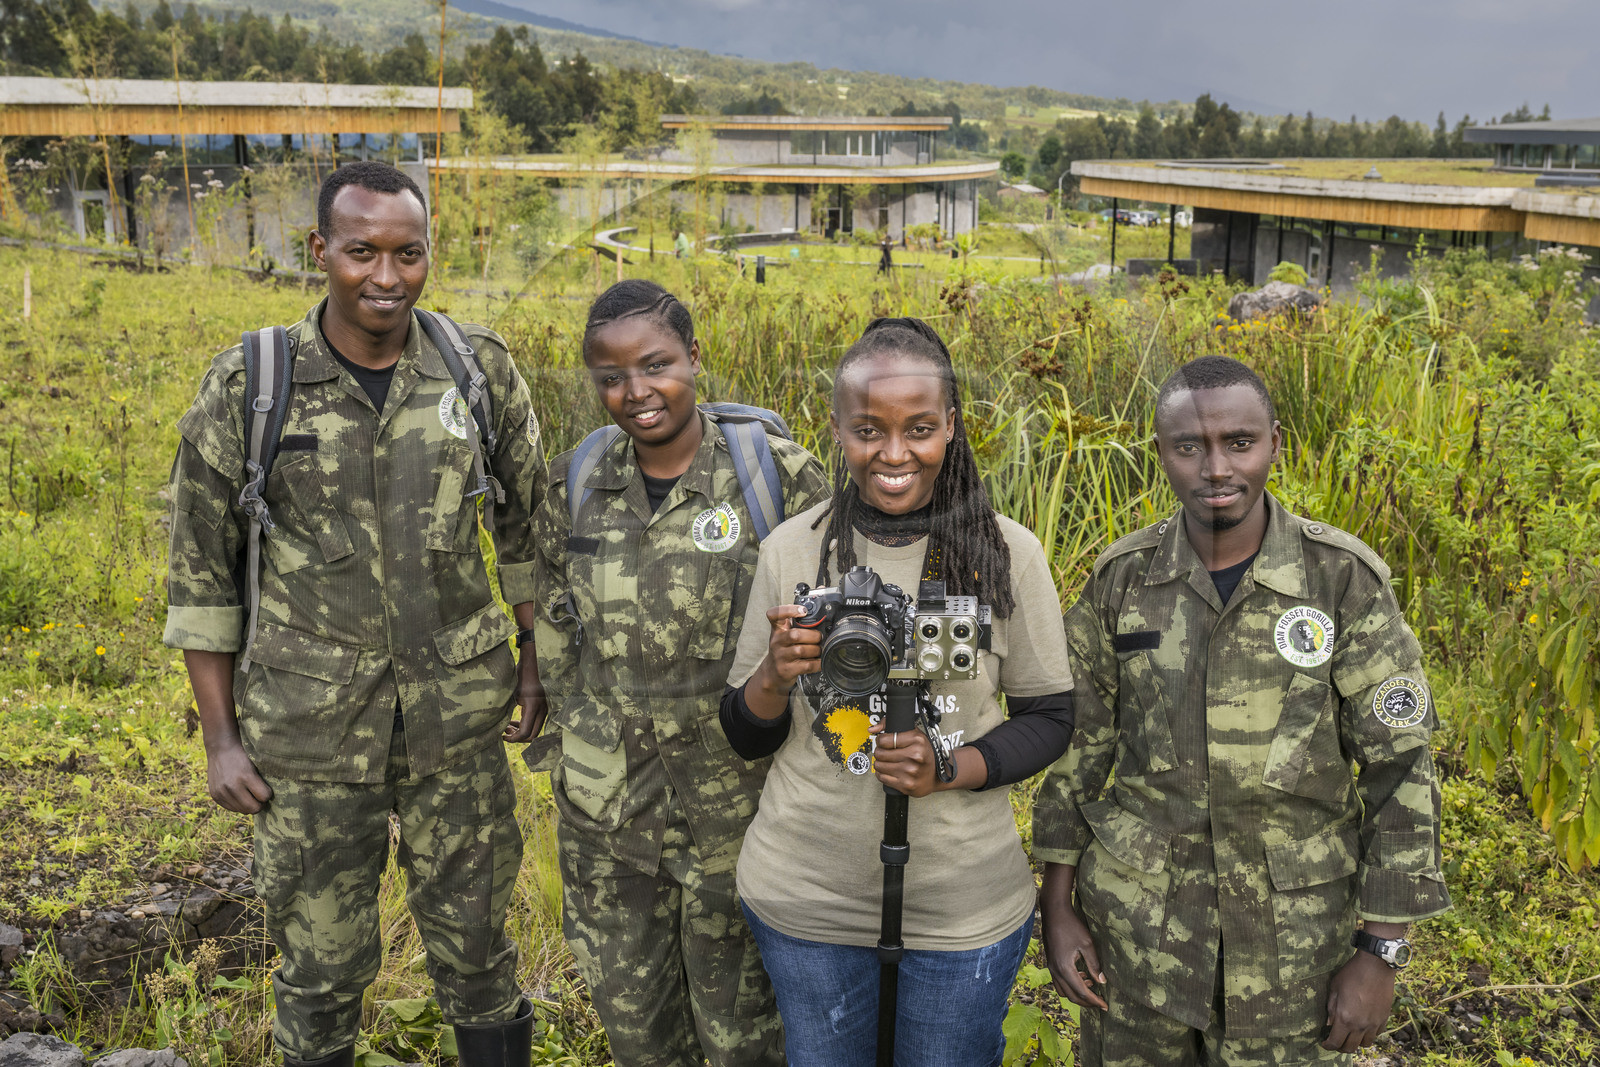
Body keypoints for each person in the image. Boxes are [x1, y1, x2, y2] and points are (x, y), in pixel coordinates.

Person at [164, 161, 549, 1067]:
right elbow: (201, 578)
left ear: (429, 253)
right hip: (308, 737)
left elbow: (528, 525)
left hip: (457, 725)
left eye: (408, 253)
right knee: (320, 970)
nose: (386, 275)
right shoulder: (251, 385)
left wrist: (534, 661)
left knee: (479, 958)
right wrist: (221, 740)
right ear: (320, 251)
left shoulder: (476, 369)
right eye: (362, 251)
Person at [1035, 355, 1451, 1066]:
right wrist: (1059, 907)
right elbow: (1078, 750)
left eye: (1239, 442)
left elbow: (1400, 768)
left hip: (1293, 957)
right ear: (1160, 451)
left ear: (1275, 443)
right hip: (1139, 943)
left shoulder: (1340, 581)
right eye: (1189, 446)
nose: (1216, 468)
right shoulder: (1123, 581)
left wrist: (1381, 951)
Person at [721, 317, 1076, 1067]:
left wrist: (953, 766)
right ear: (838, 429)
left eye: (919, 427)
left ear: (951, 424)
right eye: (867, 429)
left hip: (962, 904)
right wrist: (774, 673)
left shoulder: (1008, 553)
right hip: (806, 894)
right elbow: (746, 734)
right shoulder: (793, 547)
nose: (893, 453)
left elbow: (1050, 715)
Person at [529, 279, 829, 1067]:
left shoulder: (780, 479)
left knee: (747, 1038)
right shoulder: (575, 483)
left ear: (694, 358)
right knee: (639, 1033)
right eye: (611, 377)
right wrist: (566, 754)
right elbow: (558, 633)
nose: (636, 392)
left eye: (656, 365)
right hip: (610, 819)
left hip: (741, 813)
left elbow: (827, 637)